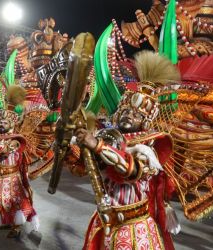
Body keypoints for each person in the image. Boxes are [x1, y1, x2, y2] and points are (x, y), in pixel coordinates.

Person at [73, 52, 180, 250]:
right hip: (105, 221)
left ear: (145, 121)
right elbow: (79, 168)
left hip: (134, 228)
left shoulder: (149, 147)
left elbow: (130, 172)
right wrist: (70, 144)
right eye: (125, 110)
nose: (129, 115)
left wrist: (97, 145)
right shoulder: (106, 136)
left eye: (136, 114)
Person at [0, 109, 39, 238]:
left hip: (12, 178)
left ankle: (16, 227)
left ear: (11, 124)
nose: (0, 124)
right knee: (1, 203)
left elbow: (4, 150)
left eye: (4, 122)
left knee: (15, 204)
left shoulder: (16, 140)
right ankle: (7, 222)